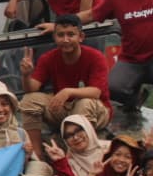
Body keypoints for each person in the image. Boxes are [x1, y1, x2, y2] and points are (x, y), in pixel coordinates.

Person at [19, 14, 112, 159]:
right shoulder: (48, 58)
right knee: (29, 100)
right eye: (60, 35)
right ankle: (37, 156)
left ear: (80, 37)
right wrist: (26, 75)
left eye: (71, 35)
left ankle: (79, 157)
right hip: (64, 109)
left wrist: (68, 92)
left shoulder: (95, 57)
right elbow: (31, 89)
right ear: (55, 38)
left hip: (96, 110)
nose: (65, 40)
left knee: (84, 103)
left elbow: (96, 92)